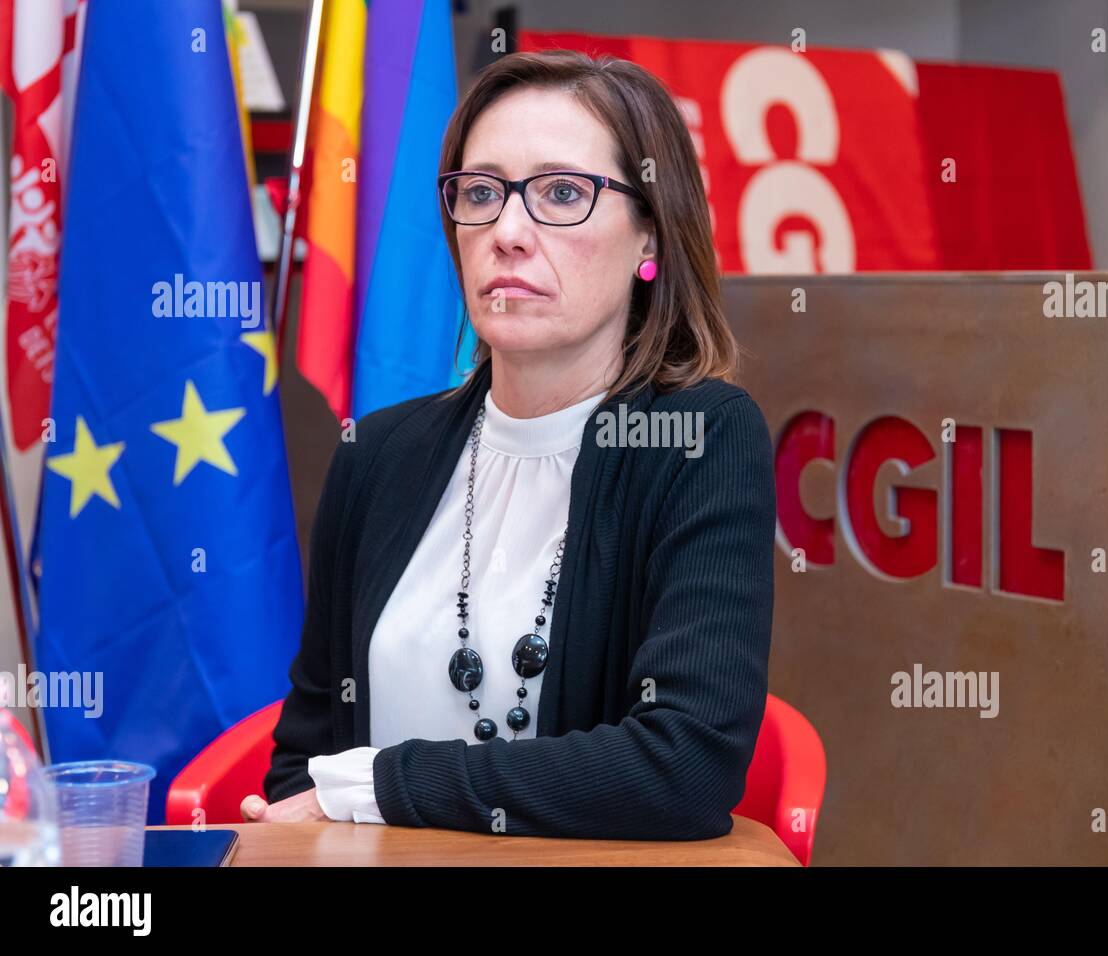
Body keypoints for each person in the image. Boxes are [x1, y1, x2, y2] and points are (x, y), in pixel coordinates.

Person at [240, 49, 776, 840]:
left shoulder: (702, 440)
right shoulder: (376, 454)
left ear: (649, 240)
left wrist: (386, 782)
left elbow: (685, 765)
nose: (508, 232)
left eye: (562, 193)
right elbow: (307, 759)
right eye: (482, 194)